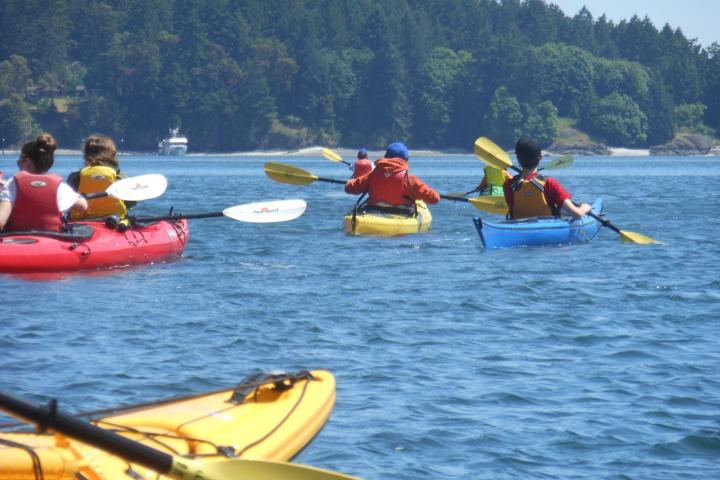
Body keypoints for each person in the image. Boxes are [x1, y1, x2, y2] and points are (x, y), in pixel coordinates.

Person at [0, 133, 87, 232]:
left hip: (18, 241)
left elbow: (1, 221)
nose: (18, 164)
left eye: (19, 161)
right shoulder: (59, 187)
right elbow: (83, 206)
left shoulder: (13, 184)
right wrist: (77, 196)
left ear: (28, 163)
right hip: (51, 240)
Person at [504, 137, 590, 220]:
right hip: (547, 231)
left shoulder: (508, 185)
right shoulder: (549, 183)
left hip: (518, 230)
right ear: (540, 157)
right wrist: (585, 208)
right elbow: (577, 214)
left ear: (518, 158)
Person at [344, 141, 440, 211]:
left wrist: (350, 182)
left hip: (374, 211)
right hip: (401, 213)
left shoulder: (373, 174)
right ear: (404, 159)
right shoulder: (410, 179)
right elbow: (434, 198)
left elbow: (349, 188)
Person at [67, 134, 134, 223]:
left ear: (86, 155)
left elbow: (67, 201)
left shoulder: (75, 177)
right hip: (114, 222)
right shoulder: (120, 177)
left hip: (81, 223)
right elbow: (132, 202)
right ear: (112, 155)